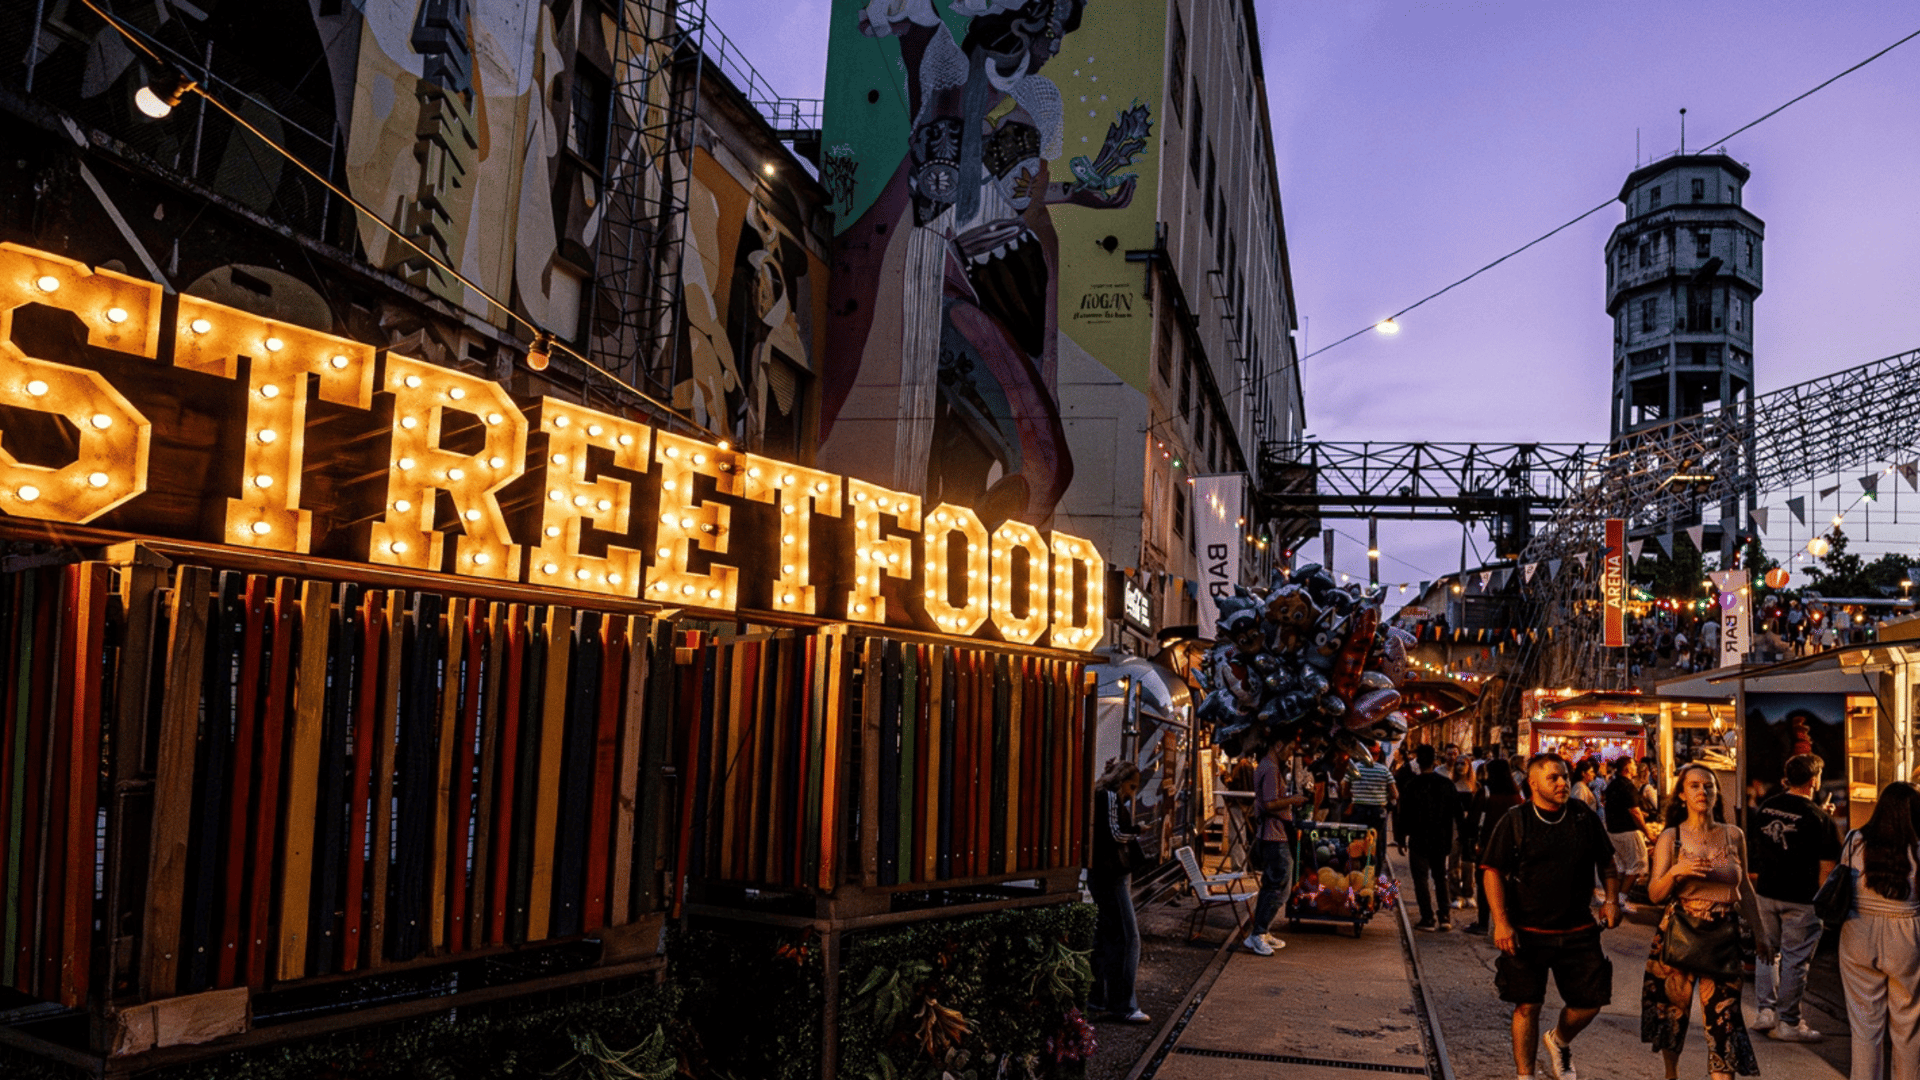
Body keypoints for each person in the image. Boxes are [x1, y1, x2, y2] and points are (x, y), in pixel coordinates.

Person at [1480, 753, 1623, 1080]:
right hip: (1526, 931)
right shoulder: (1516, 820)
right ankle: (1525, 1075)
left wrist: (1612, 899)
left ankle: (1559, 1040)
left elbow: (1607, 861)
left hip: (1578, 929)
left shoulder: (1582, 816)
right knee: (1526, 1006)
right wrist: (1501, 920)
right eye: (1553, 778)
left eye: (1564, 776)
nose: (1562, 783)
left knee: (1591, 1001)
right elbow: (1492, 872)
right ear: (1533, 784)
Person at [1642, 764, 1759, 1080]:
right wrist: (1676, 871)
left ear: (1717, 792)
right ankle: (1671, 1074)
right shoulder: (1672, 838)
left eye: (1708, 786)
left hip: (1724, 935)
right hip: (1678, 932)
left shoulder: (1733, 836)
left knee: (1725, 1022)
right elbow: (1654, 893)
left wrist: (1762, 934)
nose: (1702, 792)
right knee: (1672, 1017)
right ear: (1682, 794)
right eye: (1694, 786)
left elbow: (1744, 888)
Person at [1747, 753, 1840, 1042]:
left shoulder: (1767, 807)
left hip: (1766, 892)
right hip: (1801, 898)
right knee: (1795, 961)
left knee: (1766, 952)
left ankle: (1765, 1012)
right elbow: (1826, 872)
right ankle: (1789, 1022)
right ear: (1814, 780)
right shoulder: (1819, 819)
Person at [1836, 781, 1920, 1080]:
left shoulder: (1855, 839)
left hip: (1858, 930)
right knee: (1909, 1025)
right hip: (1907, 932)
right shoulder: (1918, 845)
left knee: (1864, 1025)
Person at [1089, 761, 1151, 1024]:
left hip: (1100, 874)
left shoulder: (1100, 796)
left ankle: (1097, 997)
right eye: (1132, 786)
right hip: (1111, 874)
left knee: (1105, 937)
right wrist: (1137, 831)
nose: (1132, 793)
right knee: (1127, 938)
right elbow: (1114, 834)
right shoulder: (1111, 797)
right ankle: (1123, 1004)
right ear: (1121, 781)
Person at [1246, 736, 1308, 956]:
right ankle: (1258, 933)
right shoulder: (1271, 768)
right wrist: (1293, 800)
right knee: (1279, 884)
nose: (1290, 753)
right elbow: (1270, 803)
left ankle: (1262, 930)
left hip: (1272, 834)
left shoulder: (1267, 765)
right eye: (1289, 747)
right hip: (1274, 835)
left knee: (1272, 883)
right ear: (1279, 743)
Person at [1402, 744, 1460, 932]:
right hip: (1440, 839)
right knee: (1439, 877)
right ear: (1435, 760)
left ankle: (1427, 918)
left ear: (1417, 762)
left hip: (1419, 839)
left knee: (1420, 879)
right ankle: (1444, 916)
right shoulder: (1447, 785)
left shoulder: (1411, 785)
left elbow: (1403, 814)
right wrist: (1463, 838)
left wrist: (1401, 837)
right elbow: (1457, 814)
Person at [1466, 761, 1525, 935]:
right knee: (1508, 884)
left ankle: (1483, 922)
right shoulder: (1517, 794)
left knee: (1485, 883)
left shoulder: (1486, 792)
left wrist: (1470, 840)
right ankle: (1507, 921)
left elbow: (1474, 819)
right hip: (1512, 845)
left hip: (1487, 845)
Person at [1604, 757, 1651, 909]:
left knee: (1622, 867)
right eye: (1632, 764)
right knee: (1637, 865)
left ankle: (1614, 899)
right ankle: (1621, 900)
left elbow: (1615, 805)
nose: (1635, 767)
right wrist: (1648, 832)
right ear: (1626, 769)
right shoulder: (1628, 786)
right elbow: (1634, 812)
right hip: (1627, 832)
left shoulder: (1612, 784)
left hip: (1613, 831)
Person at [1345, 746, 1396, 840]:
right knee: (1377, 838)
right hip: (1378, 810)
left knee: (1357, 839)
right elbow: (1395, 794)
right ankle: (1377, 854)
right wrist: (1382, 796)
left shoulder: (1355, 768)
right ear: (1378, 755)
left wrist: (1356, 795)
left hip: (1358, 809)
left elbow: (1345, 791)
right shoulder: (1384, 770)